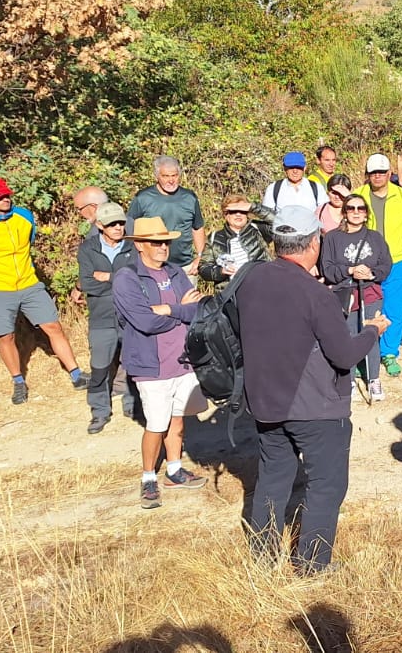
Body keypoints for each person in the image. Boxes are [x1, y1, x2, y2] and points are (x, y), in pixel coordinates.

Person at [239, 206, 388, 574]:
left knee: (272, 480)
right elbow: (343, 355)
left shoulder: (250, 281)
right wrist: (372, 331)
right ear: (312, 244)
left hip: (265, 401)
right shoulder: (315, 294)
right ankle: (312, 563)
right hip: (315, 406)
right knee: (326, 484)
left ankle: (262, 557)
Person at [0, 176, 87, 404]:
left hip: (30, 284)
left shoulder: (24, 216)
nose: (5, 200)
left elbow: (28, 242)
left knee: (53, 326)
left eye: (7, 195)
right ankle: (18, 381)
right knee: (6, 335)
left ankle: (76, 373)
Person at [111, 216, 209, 510]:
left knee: (178, 419)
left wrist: (167, 309)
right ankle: (148, 477)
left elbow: (199, 309)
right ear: (140, 245)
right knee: (156, 423)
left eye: (165, 241)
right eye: (156, 242)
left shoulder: (176, 272)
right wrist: (180, 310)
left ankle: (175, 470)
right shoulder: (127, 278)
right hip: (150, 365)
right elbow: (143, 321)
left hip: (182, 360)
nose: (162, 247)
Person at [321, 194, 393, 402]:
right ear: (344, 212)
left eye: (360, 209)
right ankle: (348, 379)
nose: (355, 212)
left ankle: (374, 379)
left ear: (366, 213)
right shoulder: (332, 238)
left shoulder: (375, 237)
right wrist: (350, 269)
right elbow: (327, 268)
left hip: (370, 291)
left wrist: (371, 274)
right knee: (348, 335)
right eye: (351, 208)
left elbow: (385, 264)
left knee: (371, 333)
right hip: (344, 293)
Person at [76, 202, 139, 433]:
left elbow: (138, 281)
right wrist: (119, 280)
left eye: (121, 222)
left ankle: (132, 406)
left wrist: (108, 277)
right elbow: (88, 284)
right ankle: (99, 412)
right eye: (112, 223)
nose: (118, 227)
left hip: (130, 315)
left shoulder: (133, 247)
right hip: (101, 318)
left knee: (132, 362)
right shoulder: (87, 249)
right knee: (100, 367)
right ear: (100, 225)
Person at [353, 153, 402, 378]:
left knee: (395, 309)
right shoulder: (358, 197)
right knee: (363, 309)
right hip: (366, 262)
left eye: (382, 172)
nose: (378, 176)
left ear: (390, 173)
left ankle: (389, 352)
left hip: (399, 259)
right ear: (367, 174)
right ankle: (362, 354)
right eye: (373, 172)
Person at [126, 155, 205, 274]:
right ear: (157, 176)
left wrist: (200, 257)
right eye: (166, 176)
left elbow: (197, 227)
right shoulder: (143, 198)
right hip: (151, 266)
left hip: (185, 267)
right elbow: (130, 228)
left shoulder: (189, 197)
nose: (171, 180)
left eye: (174, 175)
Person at [198, 195, 271, 288]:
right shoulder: (214, 238)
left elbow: (282, 222)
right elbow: (203, 268)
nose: (238, 214)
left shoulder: (258, 229)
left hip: (260, 287)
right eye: (233, 211)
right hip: (230, 295)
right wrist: (220, 271)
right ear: (226, 215)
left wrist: (254, 207)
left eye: (242, 211)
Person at [261, 152, 330, 212]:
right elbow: (266, 214)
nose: (295, 171)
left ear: (304, 168)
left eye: (298, 167)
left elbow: (325, 214)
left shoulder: (317, 188)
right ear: (285, 168)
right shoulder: (273, 188)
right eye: (291, 167)